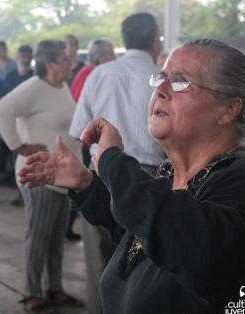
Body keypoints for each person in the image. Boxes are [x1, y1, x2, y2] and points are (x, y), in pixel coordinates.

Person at [19, 38, 245, 313]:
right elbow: (148, 236)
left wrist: (113, 162)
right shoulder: (172, 172)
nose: (160, 89)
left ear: (228, 109)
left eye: (180, 81)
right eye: (161, 77)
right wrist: (87, 185)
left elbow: (193, 247)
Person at [68, 12, 165, 314]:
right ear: (154, 40)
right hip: (154, 177)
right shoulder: (162, 77)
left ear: (124, 40)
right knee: (151, 262)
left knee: (102, 259)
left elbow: (78, 132)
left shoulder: (99, 74)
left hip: (103, 175)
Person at [0, 40, 84, 313]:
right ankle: (32, 291)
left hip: (61, 177)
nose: (71, 63)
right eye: (66, 59)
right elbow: (2, 110)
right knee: (39, 235)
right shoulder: (33, 88)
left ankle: (53, 287)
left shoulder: (62, 87)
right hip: (39, 175)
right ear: (52, 63)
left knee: (56, 237)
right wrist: (18, 145)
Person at [67, 38, 116, 242]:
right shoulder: (92, 73)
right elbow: (79, 113)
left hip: (93, 147)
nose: (114, 58)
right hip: (94, 147)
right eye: (112, 53)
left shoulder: (89, 72)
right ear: (104, 55)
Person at [0, 44, 35, 188]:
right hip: (10, 121)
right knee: (11, 153)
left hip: (27, 122)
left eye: (28, 57)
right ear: (17, 57)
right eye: (22, 56)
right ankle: (16, 183)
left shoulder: (34, 76)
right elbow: (2, 97)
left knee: (24, 153)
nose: (25, 59)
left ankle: (24, 187)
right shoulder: (11, 76)